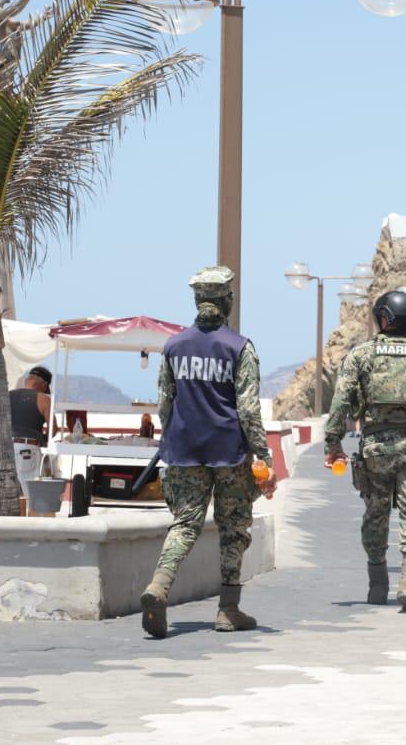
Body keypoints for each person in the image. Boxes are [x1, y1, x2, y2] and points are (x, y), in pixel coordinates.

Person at [140, 266, 276, 640]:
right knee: (233, 529)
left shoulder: (174, 346)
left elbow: (165, 403)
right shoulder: (240, 348)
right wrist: (263, 456)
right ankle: (228, 609)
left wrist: (170, 438)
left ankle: (159, 586)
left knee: (185, 524)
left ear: (197, 300)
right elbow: (248, 409)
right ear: (228, 300)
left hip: (183, 449)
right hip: (229, 453)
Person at [325, 290, 406, 611]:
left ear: (385, 319)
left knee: (376, 512)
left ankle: (377, 584)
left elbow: (341, 402)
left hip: (376, 448)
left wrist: (333, 444)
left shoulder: (362, 354)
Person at [9, 366, 53, 495]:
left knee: (10, 495)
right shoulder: (44, 399)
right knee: (30, 495)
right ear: (44, 384)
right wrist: (44, 439)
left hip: (5, 448)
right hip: (27, 450)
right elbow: (53, 429)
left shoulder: (8, 395)